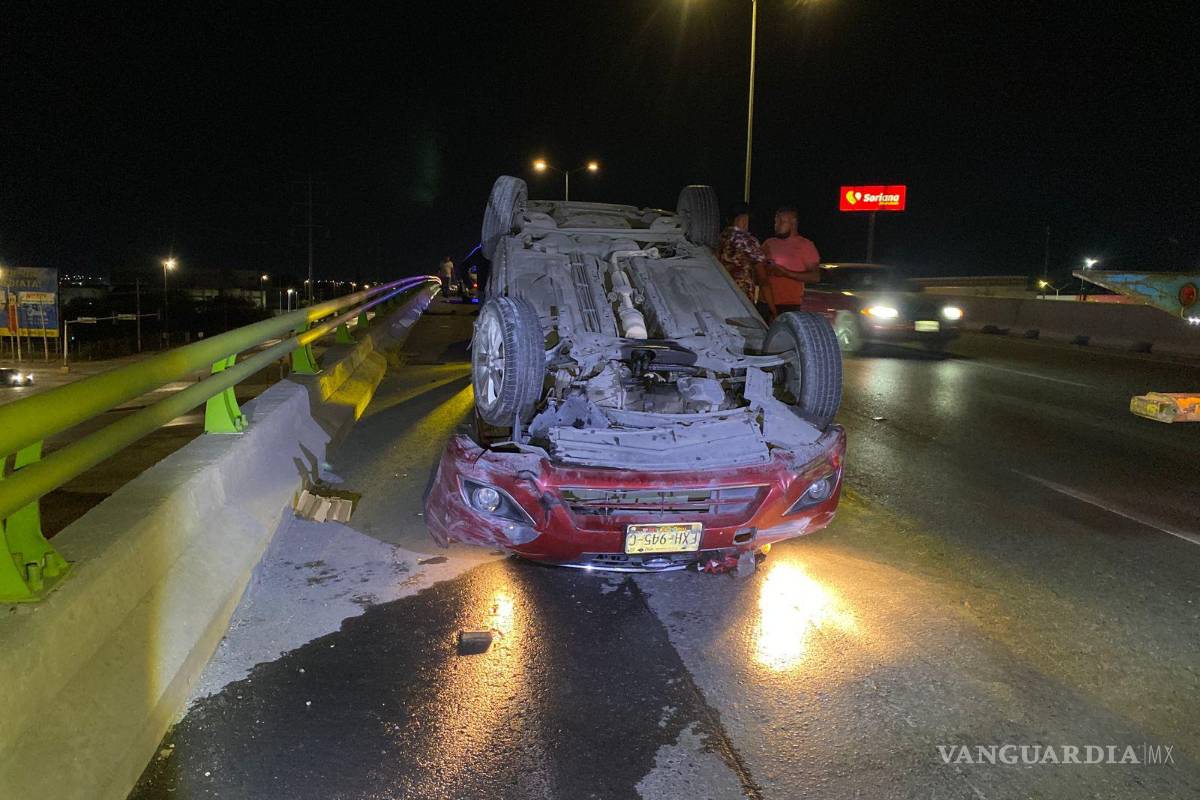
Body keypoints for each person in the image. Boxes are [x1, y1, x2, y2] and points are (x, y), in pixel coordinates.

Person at [761, 206, 822, 319]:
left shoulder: (805, 245)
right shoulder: (768, 243)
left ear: (793, 223)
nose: (777, 226)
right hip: (765, 303)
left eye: (781, 222)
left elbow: (815, 276)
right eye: (776, 222)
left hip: (788, 305)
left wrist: (786, 273)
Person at [716, 202, 771, 305]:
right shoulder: (748, 241)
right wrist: (772, 308)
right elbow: (762, 278)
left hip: (720, 296)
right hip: (742, 299)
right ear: (744, 219)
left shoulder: (720, 238)